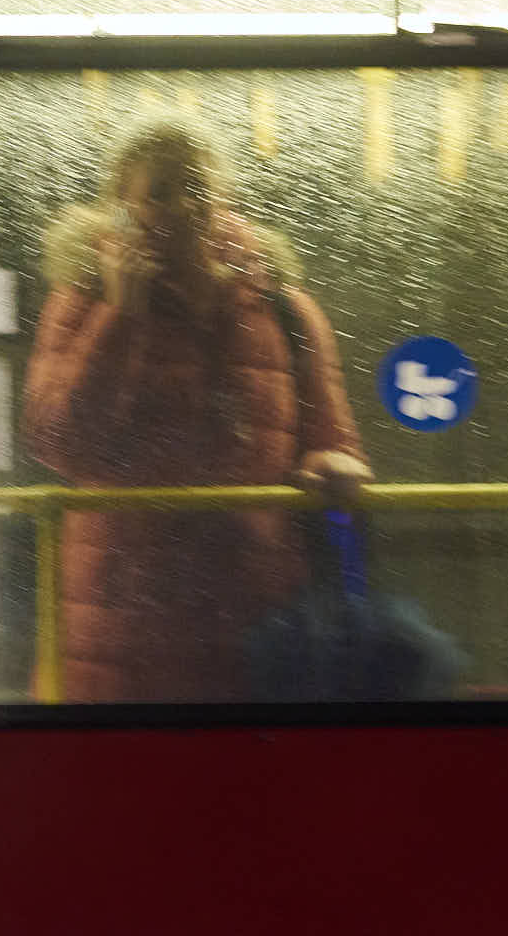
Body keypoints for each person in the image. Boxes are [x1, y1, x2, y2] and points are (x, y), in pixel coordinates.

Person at [23, 118, 371, 701]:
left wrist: (331, 463)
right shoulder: (81, 299)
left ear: (223, 197)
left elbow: (331, 437)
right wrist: (120, 317)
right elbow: (58, 443)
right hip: (122, 617)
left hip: (253, 606)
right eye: (160, 192)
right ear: (120, 208)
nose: (183, 207)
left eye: (197, 188)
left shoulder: (282, 304)